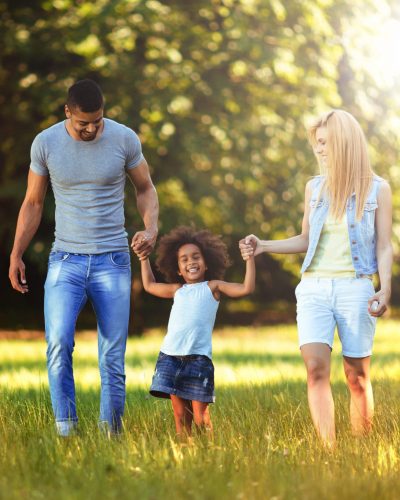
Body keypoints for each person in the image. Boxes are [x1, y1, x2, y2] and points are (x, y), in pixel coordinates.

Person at [9, 79, 159, 436]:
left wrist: (150, 229)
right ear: (67, 113)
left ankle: (111, 431)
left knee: (112, 353)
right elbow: (33, 203)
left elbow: (146, 188)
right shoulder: (45, 143)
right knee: (58, 342)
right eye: (83, 123)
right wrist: (16, 253)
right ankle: (66, 429)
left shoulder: (123, 138)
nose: (92, 128)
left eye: (97, 121)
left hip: (113, 260)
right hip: (66, 260)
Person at [240, 109, 392, 447]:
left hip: (356, 287)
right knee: (315, 370)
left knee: (357, 376)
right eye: (316, 143)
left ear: (344, 142)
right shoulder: (314, 188)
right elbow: (306, 238)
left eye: (324, 142)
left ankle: (361, 447)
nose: (318, 149)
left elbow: (383, 246)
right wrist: (263, 245)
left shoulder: (378, 189)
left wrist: (385, 289)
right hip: (313, 289)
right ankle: (330, 449)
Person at [140, 226, 255, 438]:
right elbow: (148, 285)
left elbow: (246, 288)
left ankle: (210, 452)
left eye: (195, 257)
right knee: (180, 416)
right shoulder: (177, 290)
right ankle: (185, 456)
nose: (191, 262)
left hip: (198, 361)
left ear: (206, 262)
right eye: (184, 259)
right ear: (177, 269)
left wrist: (249, 259)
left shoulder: (213, 287)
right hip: (170, 357)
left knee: (201, 418)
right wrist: (143, 258)